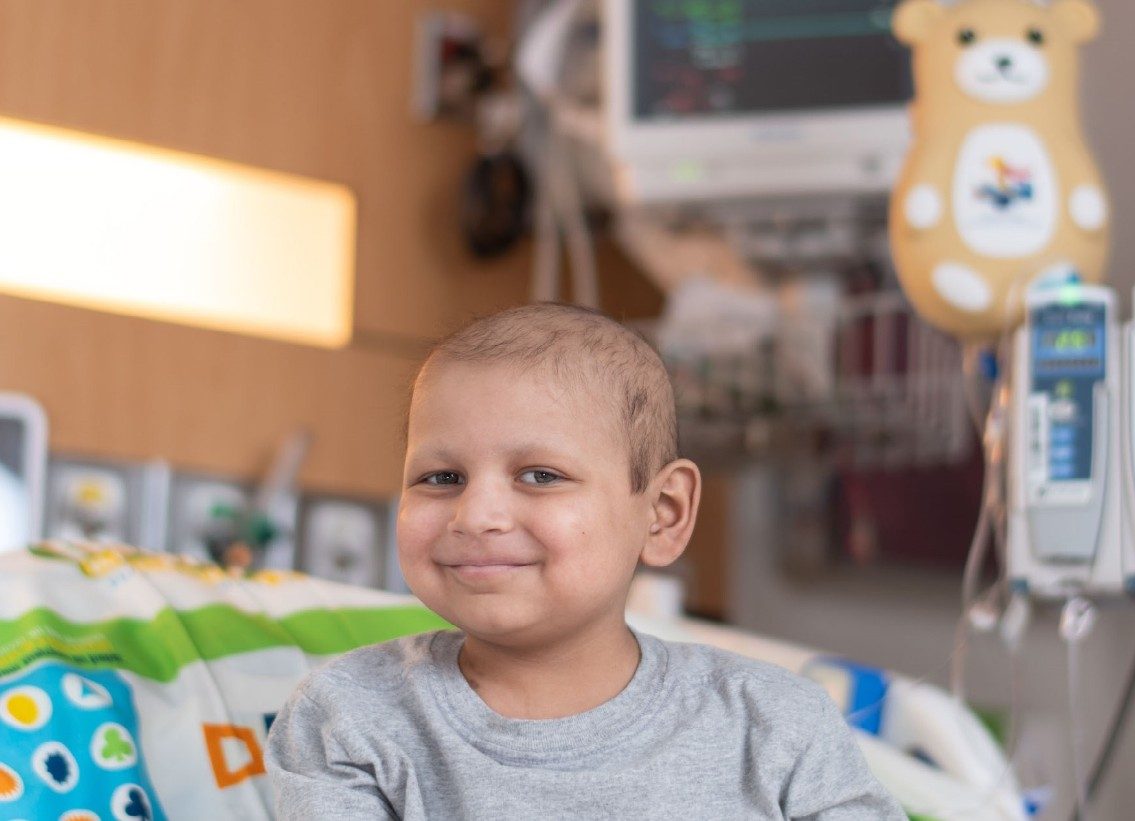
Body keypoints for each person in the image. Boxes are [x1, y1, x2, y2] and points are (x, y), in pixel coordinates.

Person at [266, 303, 906, 820]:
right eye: (441, 477)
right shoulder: (351, 718)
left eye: (540, 475)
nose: (476, 514)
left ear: (662, 514)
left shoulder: (773, 724)